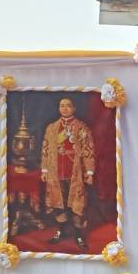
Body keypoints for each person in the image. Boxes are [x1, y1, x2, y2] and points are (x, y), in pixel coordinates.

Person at [41, 96, 97, 246]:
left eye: (68, 105)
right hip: (55, 173)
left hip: (75, 173)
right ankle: (61, 231)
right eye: (62, 105)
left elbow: (88, 150)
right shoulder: (51, 128)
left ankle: (78, 235)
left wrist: (89, 172)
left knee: (77, 205)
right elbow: (46, 149)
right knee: (59, 204)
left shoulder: (81, 127)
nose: (64, 108)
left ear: (74, 108)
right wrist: (45, 170)